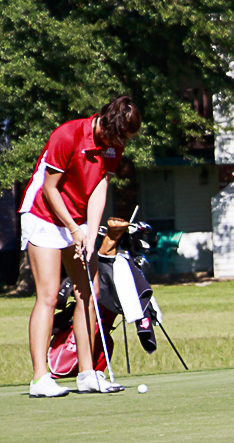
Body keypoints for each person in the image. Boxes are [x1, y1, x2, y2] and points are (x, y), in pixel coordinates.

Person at [18, 96, 143, 396]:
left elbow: (100, 186)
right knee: (48, 295)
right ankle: (40, 379)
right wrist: (73, 229)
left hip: (77, 218)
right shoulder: (67, 135)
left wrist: (89, 232)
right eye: (120, 136)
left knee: (89, 291)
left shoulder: (114, 143)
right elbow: (50, 189)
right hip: (44, 215)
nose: (121, 143)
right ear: (107, 124)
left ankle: (87, 373)